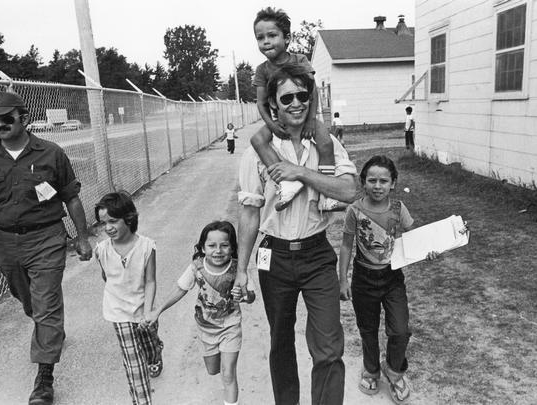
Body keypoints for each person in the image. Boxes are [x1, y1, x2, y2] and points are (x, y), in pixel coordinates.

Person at [0, 90, 92, 405]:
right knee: (29, 301)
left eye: (7, 118)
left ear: (24, 118)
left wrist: (82, 237)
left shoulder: (51, 153)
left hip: (46, 238)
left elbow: (71, 197)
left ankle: (44, 378)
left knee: (46, 306)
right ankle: (49, 328)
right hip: (5, 243)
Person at [235, 63, 358, 405]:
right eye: (286, 97)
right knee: (281, 343)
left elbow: (350, 191)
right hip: (273, 256)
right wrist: (241, 270)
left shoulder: (325, 142)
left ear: (310, 98)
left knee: (329, 347)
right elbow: (249, 212)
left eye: (302, 95)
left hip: (317, 255)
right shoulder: (255, 153)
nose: (295, 103)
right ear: (273, 104)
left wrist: (301, 173)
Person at [337, 155, 438, 404]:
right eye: (372, 180)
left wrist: (428, 252)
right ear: (363, 182)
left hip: (392, 279)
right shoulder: (355, 210)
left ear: (393, 183)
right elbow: (347, 246)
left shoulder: (398, 209)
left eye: (384, 181)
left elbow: (414, 239)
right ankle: (371, 370)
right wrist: (343, 280)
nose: (378, 186)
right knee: (368, 330)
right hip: (363, 279)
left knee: (401, 330)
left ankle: (394, 371)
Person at [147, 221, 255, 405]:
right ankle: (221, 359)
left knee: (228, 373)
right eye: (212, 245)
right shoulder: (197, 267)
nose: (218, 250)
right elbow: (180, 288)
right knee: (213, 370)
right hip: (205, 327)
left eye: (224, 245)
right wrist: (157, 311)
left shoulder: (238, 269)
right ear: (203, 248)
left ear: (232, 248)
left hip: (230, 326)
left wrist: (245, 295)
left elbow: (251, 296)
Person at [251, 7, 344, 212]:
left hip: (305, 114)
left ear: (287, 38)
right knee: (257, 140)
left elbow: (312, 92)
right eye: (260, 37)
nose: (266, 41)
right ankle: (286, 183)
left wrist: (312, 120)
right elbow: (261, 103)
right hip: (281, 119)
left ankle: (327, 197)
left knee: (326, 142)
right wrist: (272, 125)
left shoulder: (300, 60)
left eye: (272, 35)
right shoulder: (262, 70)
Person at [94, 191, 163, 405]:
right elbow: (107, 277)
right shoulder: (102, 250)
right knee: (134, 362)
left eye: (113, 221)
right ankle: (141, 401)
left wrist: (149, 310)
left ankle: (156, 354)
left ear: (129, 219)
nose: (108, 228)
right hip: (118, 312)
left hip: (144, 309)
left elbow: (150, 281)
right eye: (103, 223)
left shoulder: (146, 247)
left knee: (150, 346)